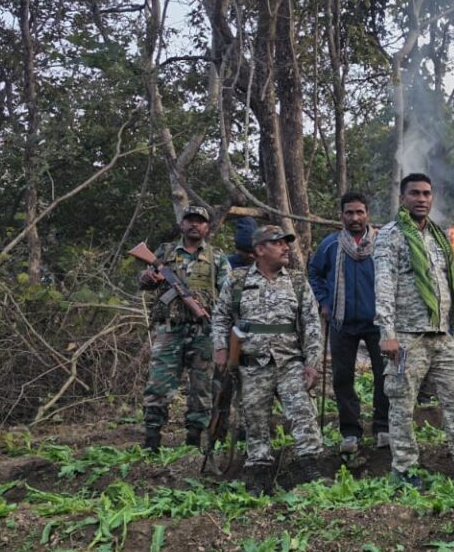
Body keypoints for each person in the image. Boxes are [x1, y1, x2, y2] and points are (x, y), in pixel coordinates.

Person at [374, 173, 454, 485]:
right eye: (415, 194)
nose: (421, 199)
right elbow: (383, 286)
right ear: (402, 198)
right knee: (402, 406)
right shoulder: (391, 236)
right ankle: (405, 470)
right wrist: (388, 333)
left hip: (443, 335)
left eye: (426, 194)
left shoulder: (440, 237)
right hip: (407, 337)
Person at [211, 226, 323, 490]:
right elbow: (220, 317)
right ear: (260, 249)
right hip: (252, 365)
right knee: (254, 419)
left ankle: (312, 466)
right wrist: (220, 349)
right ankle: (259, 472)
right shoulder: (238, 281)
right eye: (278, 243)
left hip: (290, 363)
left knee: (303, 415)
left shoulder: (297, 281)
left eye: (287, 243)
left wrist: (312, 363)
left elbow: (311, 324)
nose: (286, 248)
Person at [138, 204, 230, 451]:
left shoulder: (217, 257)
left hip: (203, 331)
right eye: (190, 220)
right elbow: (145, 280)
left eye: (200, 221)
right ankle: (151, 440)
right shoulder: (164, 253)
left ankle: (193, 439)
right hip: (170, 329)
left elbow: (228, 293)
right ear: (182, 224)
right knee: (158, 385)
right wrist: (148, 278)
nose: (194, 224)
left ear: (207, 227)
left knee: (201, 387)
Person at [308, 192, 389, 456]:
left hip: (377, 322)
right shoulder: (331, 245)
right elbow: (315, 273)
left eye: (359, 212)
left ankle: (382, 428)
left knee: (384, 376)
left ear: (368, 214)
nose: (354, 218)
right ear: (341, 215)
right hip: (341, 322)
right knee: (343, 379)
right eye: (349, 213)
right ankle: (350, 432)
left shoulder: (382, 243)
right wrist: (324, 300)